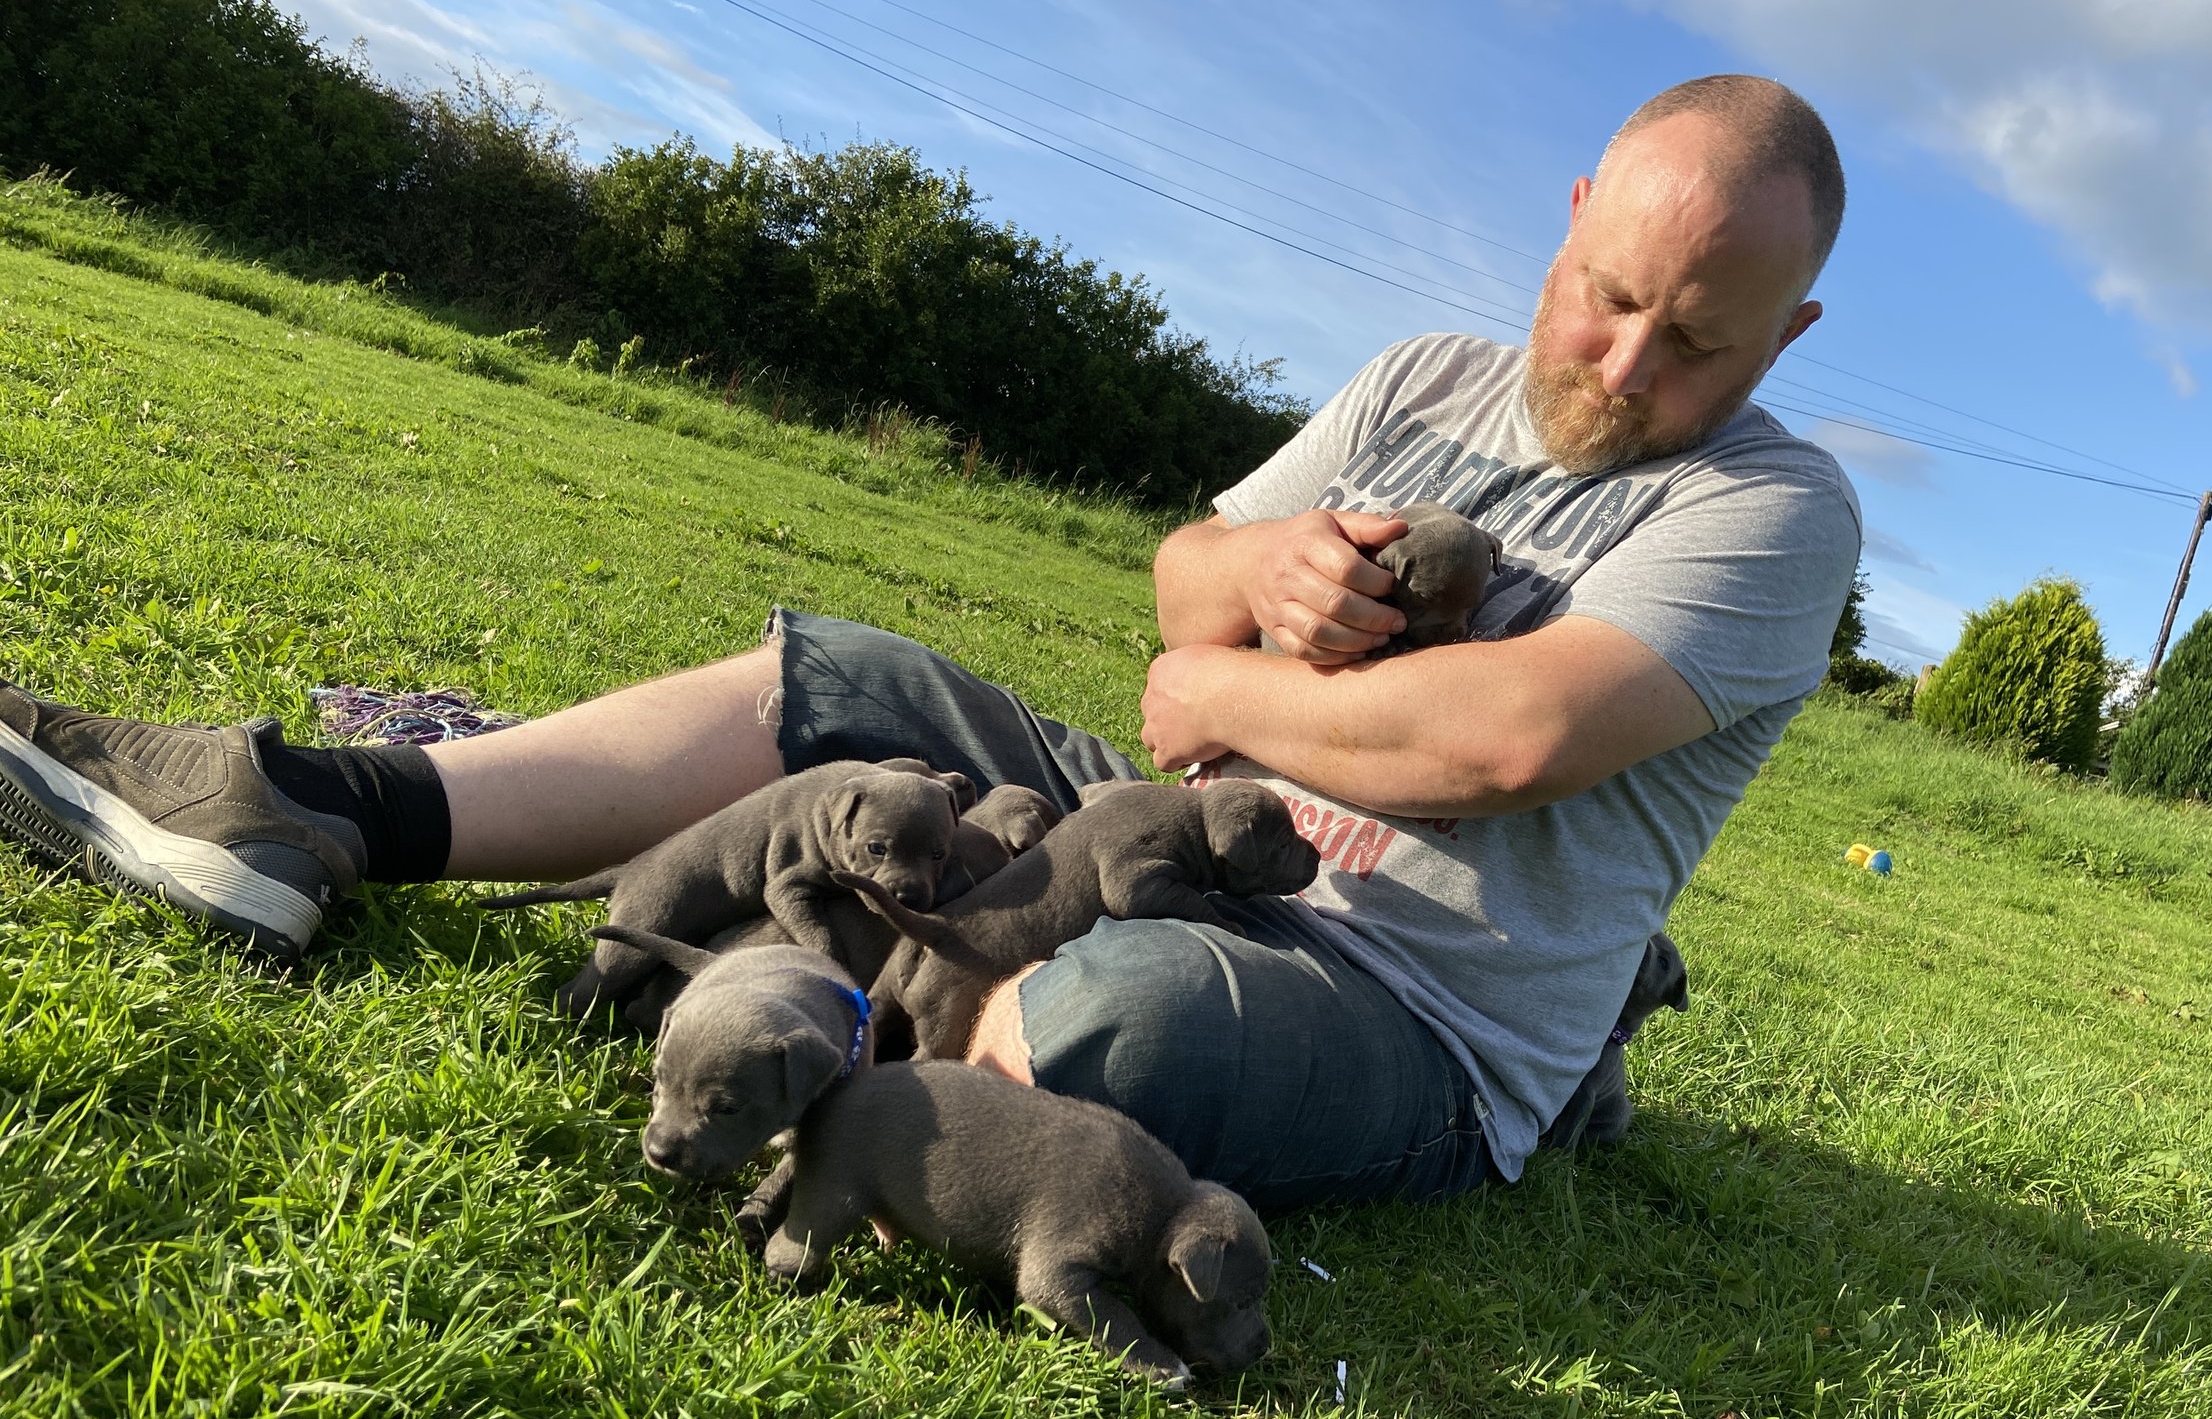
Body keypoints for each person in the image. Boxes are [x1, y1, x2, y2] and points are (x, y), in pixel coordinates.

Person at [0, 75, 1861, 1213]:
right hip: (1144, 825)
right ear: (1568, 228)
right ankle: (311, 809)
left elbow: (1508, 742)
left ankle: (776, 983)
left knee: (1115, 1023)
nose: (1628, 365)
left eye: (1698, 340)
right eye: (1609, 297)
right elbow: (1182, 575)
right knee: (848, 688)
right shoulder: (1415, 382)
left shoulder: (1778, 518)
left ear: (1786, 337)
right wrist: (1267, 577)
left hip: (1403, 1000)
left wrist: (1215, 689)